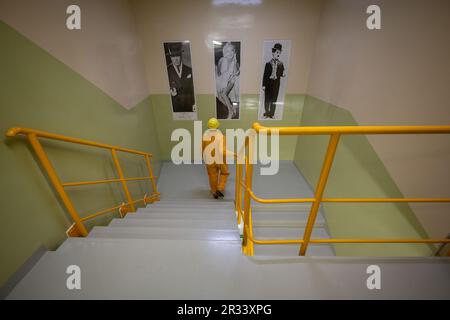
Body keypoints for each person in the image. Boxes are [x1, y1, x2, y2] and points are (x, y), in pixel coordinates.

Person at [202, 118, 235, 199]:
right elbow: (222, 151)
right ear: (218, 126)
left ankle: (214, 192)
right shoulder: (222, 137)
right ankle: (220, 188)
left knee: (212, 176)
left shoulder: (205, 137)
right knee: (224, 173)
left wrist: (205, 158)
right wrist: (234, 154)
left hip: (209, 160)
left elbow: (203, 149)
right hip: (220, 160)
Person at [166, 43, 195, 113]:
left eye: (177, 56)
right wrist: (171, 93)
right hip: (175, 109)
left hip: (190, 106)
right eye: (173, 56)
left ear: (181, 56)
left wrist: (195, 103)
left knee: (197, 124)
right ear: (170, 57)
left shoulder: (189, 70)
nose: (175, 59)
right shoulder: (167, 71)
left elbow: (193, 89)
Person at [215, 42, 240, 119]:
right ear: (224, 53)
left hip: (231, 80)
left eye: (232, 51)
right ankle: (232, 109)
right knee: (219, 96)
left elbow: (237, 73)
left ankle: (230, 112)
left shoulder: (234, 62)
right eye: (227, 51)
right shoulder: (222, 60)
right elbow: (219, 73)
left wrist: (235, 61)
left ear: (234, 52)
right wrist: (221, 85)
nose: (230, 53)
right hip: (223, 79)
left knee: (224, 94)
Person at [262, 43, 285, 119]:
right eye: (277, 52)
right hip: (269, 82)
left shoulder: (281, 64)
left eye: (279, 53)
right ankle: (267, 112)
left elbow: (281, 74)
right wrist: (264, 85)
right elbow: (265, 75)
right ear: (273, 53)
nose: (278, 54)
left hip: (276, 83)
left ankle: (272, 113)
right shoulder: (268, 64)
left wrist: (283, 74)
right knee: (267, 99)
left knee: (274, 99)